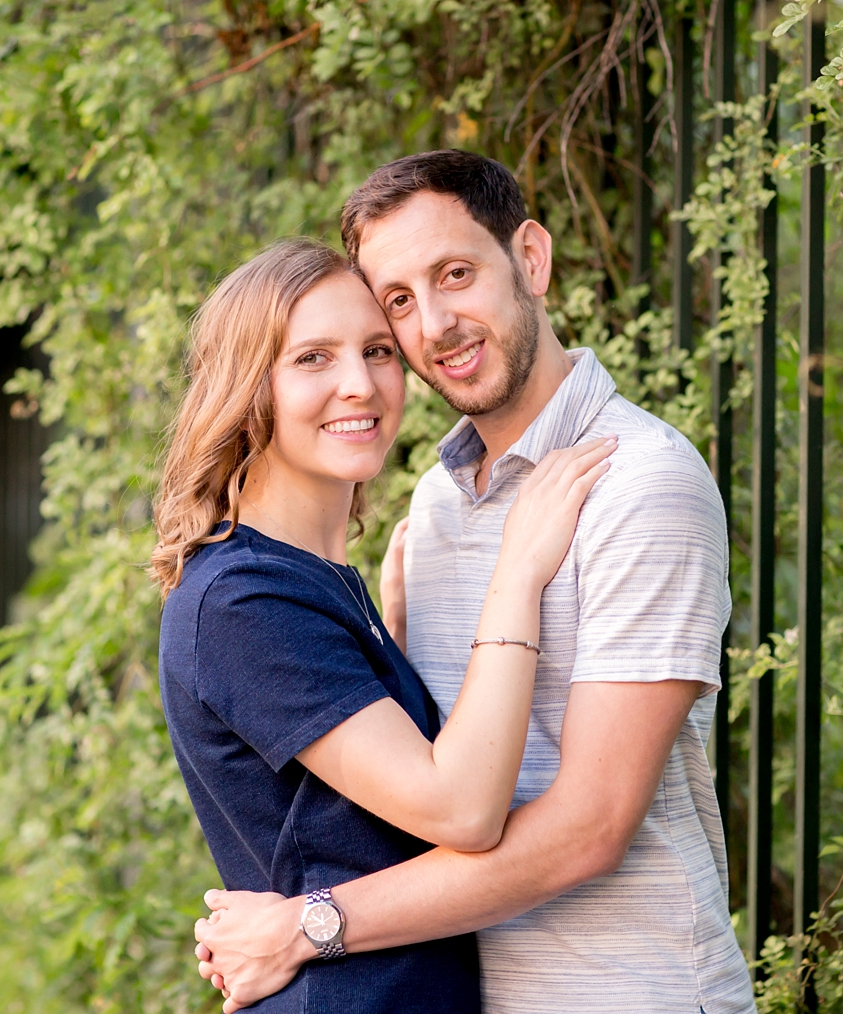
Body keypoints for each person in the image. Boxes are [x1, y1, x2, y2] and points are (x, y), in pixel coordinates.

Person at [195, 152, 756, 1013]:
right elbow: (430, 779)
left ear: (530, 259)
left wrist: (307, 925)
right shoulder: (436, 508)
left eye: (455, 273)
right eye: (399, 302)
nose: (437, 324)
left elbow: (594, 826)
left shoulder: (641, 482)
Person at [152, 237, 616, 1014]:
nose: (358, 385)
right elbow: (462, 810)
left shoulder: (310, 582)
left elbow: (339, 821)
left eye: (376, 350)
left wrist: (387, 646)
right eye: (312, 359)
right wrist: (517, 572)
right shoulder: (242, 600)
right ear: (248, 386)